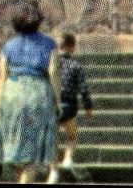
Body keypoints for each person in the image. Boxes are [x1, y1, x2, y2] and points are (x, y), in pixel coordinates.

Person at [0, 1, 60, 184]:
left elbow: (1, 79)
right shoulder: (49, 45)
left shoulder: (8, 47)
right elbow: (53, 73)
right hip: (38, 93)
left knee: (16, 150)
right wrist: (58, 101)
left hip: (12, 94)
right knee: (32, 156)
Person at [49, 31, 94, 183]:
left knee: (54, 139)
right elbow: (84, 89)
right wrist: (88, 108)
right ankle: (68, 160)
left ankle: (54, 170)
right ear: (71, 47)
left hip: (52, 104)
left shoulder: (51, 64)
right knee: (72, 136)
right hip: (69, 105)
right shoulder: (76, 66)